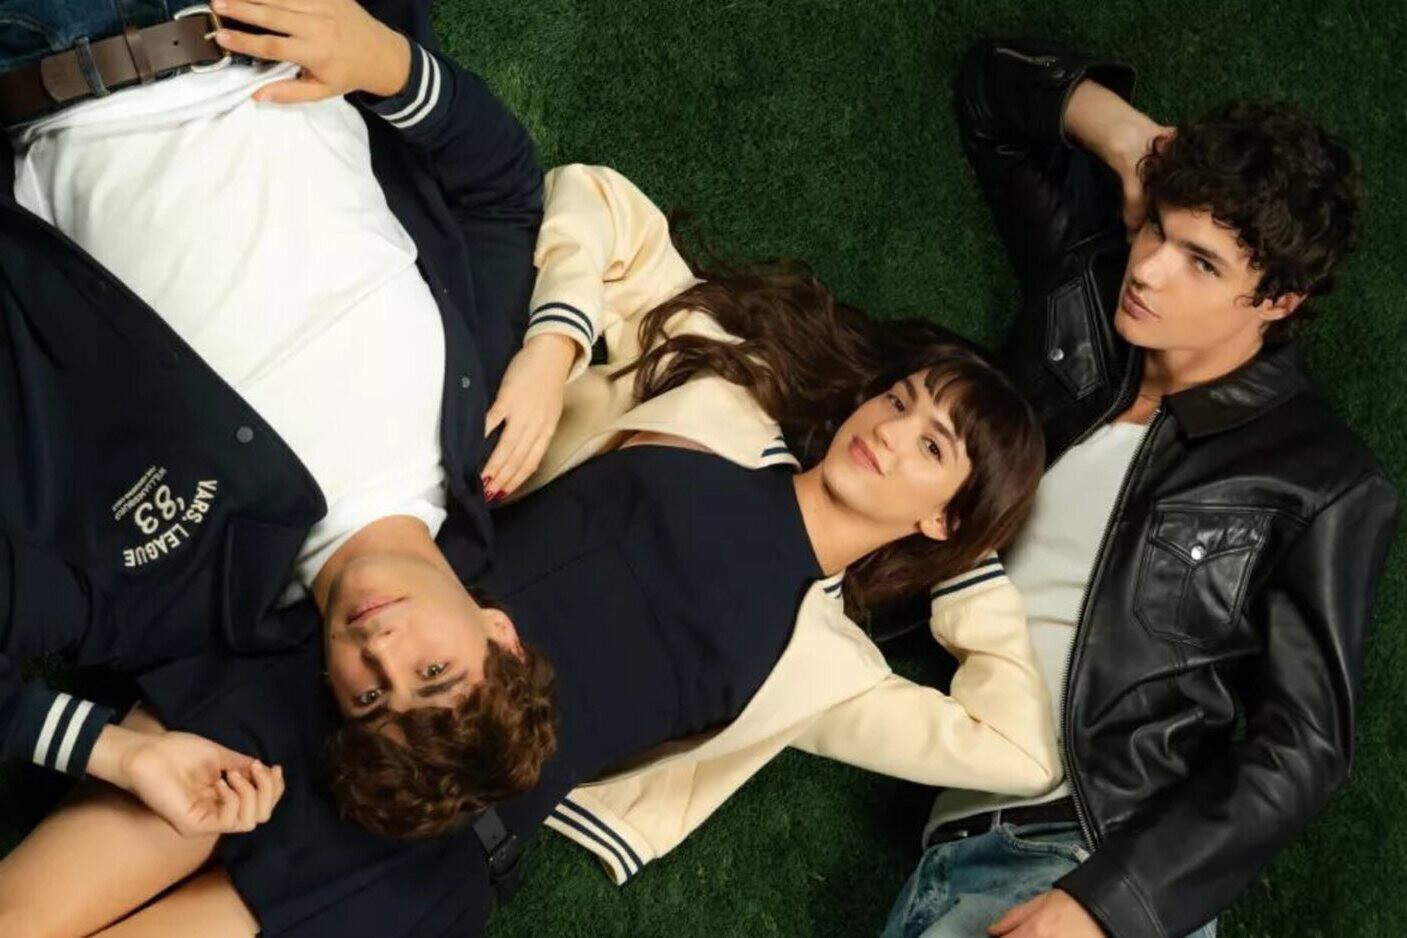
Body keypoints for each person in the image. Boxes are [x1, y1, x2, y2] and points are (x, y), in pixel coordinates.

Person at [0, 153, 1062, 933]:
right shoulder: (727, 408)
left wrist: (961, 567)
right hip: (343, 683)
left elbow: (1018, 752)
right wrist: (556, 348)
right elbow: (601, 201)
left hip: (428, 857)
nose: (889, 431)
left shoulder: (828, 665)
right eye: (901, 399)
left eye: (932, 446)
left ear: (944, 515)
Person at [880, 38, 1400, 938]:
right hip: (954, 848)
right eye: (1158, 227)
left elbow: (1304, 746)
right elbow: (993, 93)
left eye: (1203, 262)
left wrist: (1108, 906)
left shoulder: (1318, 475)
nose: (1150, 269)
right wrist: (1134, 146)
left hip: (1100, 859)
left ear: (1276, 301)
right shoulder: (1088, 289)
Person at [0, 0, 546, 838]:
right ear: (498, 634)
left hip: (40, 58)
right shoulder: (489, 426)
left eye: (370, 698)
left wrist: (114, 752)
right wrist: (389, 64)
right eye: (433, 671)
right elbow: (503, 195)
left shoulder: (165, 597)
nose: (382, 648)